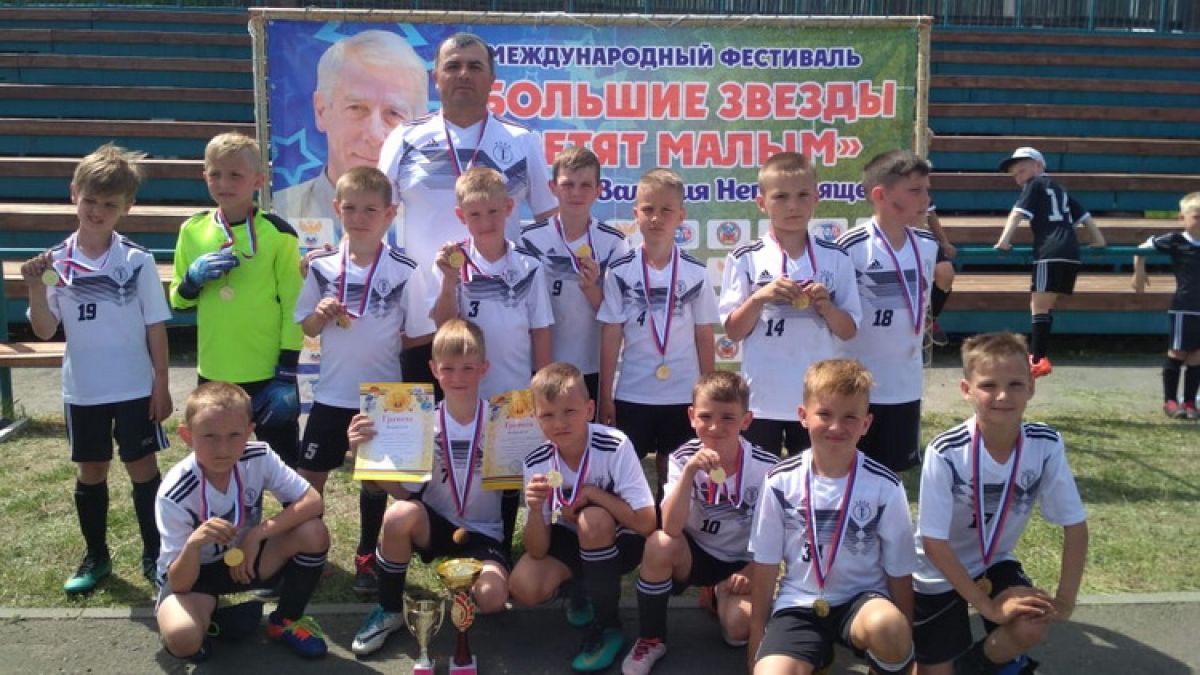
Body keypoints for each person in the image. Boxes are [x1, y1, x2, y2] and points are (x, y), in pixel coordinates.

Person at [21, 144, 171, 594]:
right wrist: (35, 288)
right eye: (90, 200)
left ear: (128, 206)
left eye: (109, 204)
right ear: (74, 194)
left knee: (142, 467)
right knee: (91, 471)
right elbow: (45, 330)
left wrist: (161, 385)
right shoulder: (55, 263)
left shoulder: (137, 260)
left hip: (134, 387)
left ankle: (155, 554)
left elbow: (156, 327)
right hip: (84, 390)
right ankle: (97, 556)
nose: (98, 211)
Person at [379, 31, 557, 388]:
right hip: (421, 321)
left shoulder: (521, 141)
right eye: (453, 66)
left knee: (497, 422)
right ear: (436, 77)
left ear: (492, 79)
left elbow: (549, 222)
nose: (463, 74)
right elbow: (373, 218)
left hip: (500, 323)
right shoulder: (404, 138)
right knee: (425, 425)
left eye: (475, 67)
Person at [293, 166, 435, 595]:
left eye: (370, 209)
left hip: (381, 397)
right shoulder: (321, 267)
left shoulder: (405, 269)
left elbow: (419, 334)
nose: (359, 217)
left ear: (389, 214)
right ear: (337, 209)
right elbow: (307, 327)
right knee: (310, 476)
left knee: (373, 478)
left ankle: (366, 555)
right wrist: (320, 315)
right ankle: (310, 551)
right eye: (351, 208)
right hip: (331, 394)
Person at [913, 332, 1088, 674]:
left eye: (1015, 384)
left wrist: (1065, 602)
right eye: (989, 385)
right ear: (967, 390)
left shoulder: (1046, 444)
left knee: (1031, 625)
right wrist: (988, 606)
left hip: (993, 560)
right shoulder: (946, 451)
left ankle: (974, 666)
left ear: (1031, 387)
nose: (1003, 395)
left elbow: (1076, 526)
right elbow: (934, 543)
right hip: (937, 571)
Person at [347, 319, 510, 656]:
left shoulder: (503, 422)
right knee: (398, 516)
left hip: (483, 533)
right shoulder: (420, 422)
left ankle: (466, 589)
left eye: (468, 368)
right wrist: (364, 454)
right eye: (448, 368)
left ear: (484, 368)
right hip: (434, 524)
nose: (458, 377)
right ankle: (389, 609)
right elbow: (403, 493)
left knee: (493, 600)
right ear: (434, 369)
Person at [747, 358, 917, 675]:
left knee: (889, 628)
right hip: (799, 604)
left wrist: (905, 642)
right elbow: (766, 563)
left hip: (862, 601)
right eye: (824, 414)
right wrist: (757, 636)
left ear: (866, 423)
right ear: (803, 416)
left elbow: (900, 568)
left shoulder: (885, 486)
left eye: (850, 417)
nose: (836, 427)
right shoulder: (779, 481)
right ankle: (816, 655)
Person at [155, 382, 330, 662]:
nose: (222, 448)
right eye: (209, 436)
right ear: (187, 436)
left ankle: (286, 620)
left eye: (234, 435)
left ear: (249, 432)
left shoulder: (258, 455)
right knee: (183, 639)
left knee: (313, 532)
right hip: (194, 576)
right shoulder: (174, 492)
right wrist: (194, 545)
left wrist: (257, 534)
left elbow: (313, 501)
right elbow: (179, 582)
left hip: (245, 560)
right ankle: (208, 618)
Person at [622, 371, 778, 675]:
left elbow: (777, 533)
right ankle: (651, 639)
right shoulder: (682, 458)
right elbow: (670, 528)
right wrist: (690, 473)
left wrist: (751, 569)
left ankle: (720, 592)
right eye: (706, 417)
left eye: (728, 418)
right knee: (659, 544)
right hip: (696, 554)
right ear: (692, 417)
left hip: (742, 562)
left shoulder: (766, 467)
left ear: (746, 420)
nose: (715, 427)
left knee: (739, 629)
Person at [509, 362, 656, 672]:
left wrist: (594, 493)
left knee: (593, 521)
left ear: (589, 409)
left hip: (620, 538)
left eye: (569, 412)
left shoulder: (614, 445)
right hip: (572, 540)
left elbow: (646, 523)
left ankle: (608, 626)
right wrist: (534, 510)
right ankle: (581, 590)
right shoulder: (536, 462)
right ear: (536, 418)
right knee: (524, 585)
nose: (559, 423)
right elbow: (537, 550)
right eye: (548, 415)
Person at [170, 132, 304, 467]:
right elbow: (178, 301)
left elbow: (294, 305)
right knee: (218, 461)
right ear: (204, 176)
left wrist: (287, 371)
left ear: (259, 180)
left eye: (235, 175)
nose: (224, 183)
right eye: (215, 174)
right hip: (215, 370)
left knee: (284, 463)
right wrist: (191, 282)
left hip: (267, 372)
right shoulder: (192, 230)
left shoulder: (279, 234)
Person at [720, 152, 860, 457]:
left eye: (802, 195)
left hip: (818, 399)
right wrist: (759, 298)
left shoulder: (836, 257)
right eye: (781, 196)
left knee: (813, 476)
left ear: (816, 199)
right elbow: (733, 331)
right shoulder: (745, 257)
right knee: (759, 478)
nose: (793, 205)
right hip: (761, 398)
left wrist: (828, 308)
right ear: (762, 203)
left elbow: (849, 330)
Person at [598, 168, 720, 496]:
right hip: (633, 392)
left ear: (681, 215)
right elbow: (611, 334)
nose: (656, 218)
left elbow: (704, 335)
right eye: (648, 209)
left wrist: (708, 394)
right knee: (623, 475)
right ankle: (633, 526)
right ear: (635, 213)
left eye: (666, 210)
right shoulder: (620, 271)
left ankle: (668, 525)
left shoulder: (695, 272)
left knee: (676, 474)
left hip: (683, 392)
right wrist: (605, 395)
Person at [836, 150, 941, 473]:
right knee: (850, 471)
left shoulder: (927, 245)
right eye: (915, 190)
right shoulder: (849, 247)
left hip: (905, 383)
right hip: (858, 385)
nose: (926, 199)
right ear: (880, 195)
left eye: (927, 190)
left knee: (893, 474)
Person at [272, 29, 428, 244]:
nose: (374, 135)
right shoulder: (278, 212)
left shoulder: (433, 218)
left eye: (393, 113)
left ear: (419, 124)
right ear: (321, 110)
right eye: (356, 108)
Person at [428, 166, 554, 400]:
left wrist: (543, 388)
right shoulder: (449, 263)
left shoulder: (529, 265)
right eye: (475, 214)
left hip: (517, 393)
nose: (485, 221)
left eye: (493, 211)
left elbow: (541, 329)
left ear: (508, 207)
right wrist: (449, 281)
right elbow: (444, 326)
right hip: (466, 397)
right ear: (461, 216)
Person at [520, 146, 631, 402]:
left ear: (599, 190)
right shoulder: (529, 239)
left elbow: (617, 316)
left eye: (585, 185)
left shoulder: (613, 243)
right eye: (568, 184)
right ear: (552, 187)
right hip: (539, 363)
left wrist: (591, 288)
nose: (576, 193)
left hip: (589, 365)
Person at [994, 146, 1106, 378]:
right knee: (1046, 304)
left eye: (1022, 171)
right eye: (1014, 175)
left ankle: (1038, 358)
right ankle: (1039, 355)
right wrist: (1098, 240)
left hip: (1049, 250)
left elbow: (1017, 213)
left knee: (1038, 306)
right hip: (1071, 251)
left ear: (1038, 166)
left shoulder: (1034, 184)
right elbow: (1085, 217)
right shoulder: (1060, 189)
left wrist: (1004, 241)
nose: (1019, 178)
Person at [1133, 192, 1200, 419]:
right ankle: (1170, 400)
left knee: (1196, 356)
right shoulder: (1176, 241)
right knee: (1177, 353)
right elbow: (1142, 248)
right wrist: (1139, 272)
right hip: (1184, 306)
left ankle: (1190, 401)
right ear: (1183, 218)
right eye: (1197, 217)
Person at [923, 204, 956, 347]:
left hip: (918, 234)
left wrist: (944, 242)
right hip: (888, 235)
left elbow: (930, 212)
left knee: (945, 273)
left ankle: (929, 319)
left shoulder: (917, 190)